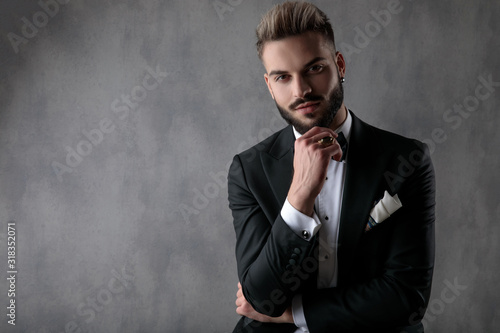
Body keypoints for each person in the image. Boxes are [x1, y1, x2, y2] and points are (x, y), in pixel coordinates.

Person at [227, 2, 435, 332]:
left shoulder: (407, 160)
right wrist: (299, 196)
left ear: (339, 65)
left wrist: (294, 314)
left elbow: (406, 298)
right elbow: (261, 298)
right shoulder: (248, 171)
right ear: (269, 85)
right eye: (283, 77)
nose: (301, 91)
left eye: (314, 69)